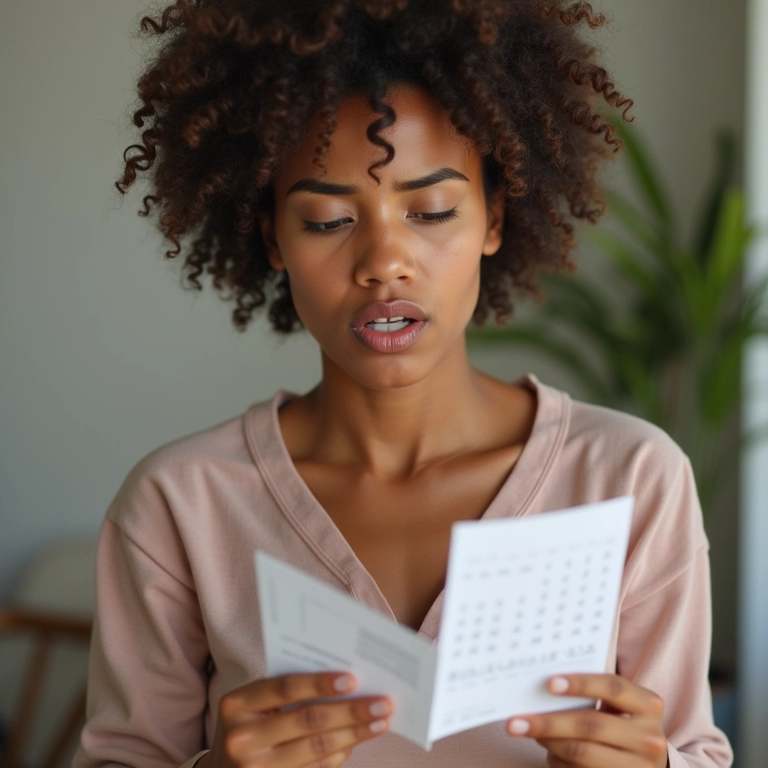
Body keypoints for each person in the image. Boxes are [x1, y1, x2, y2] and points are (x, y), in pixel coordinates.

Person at [74, 1, 733, 766]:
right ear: (273, 237)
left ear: (493, 218)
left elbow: (693, 748)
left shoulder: (630, 480)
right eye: (327, 219)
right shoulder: (179, 505)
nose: (384, 262)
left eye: (431, 211)